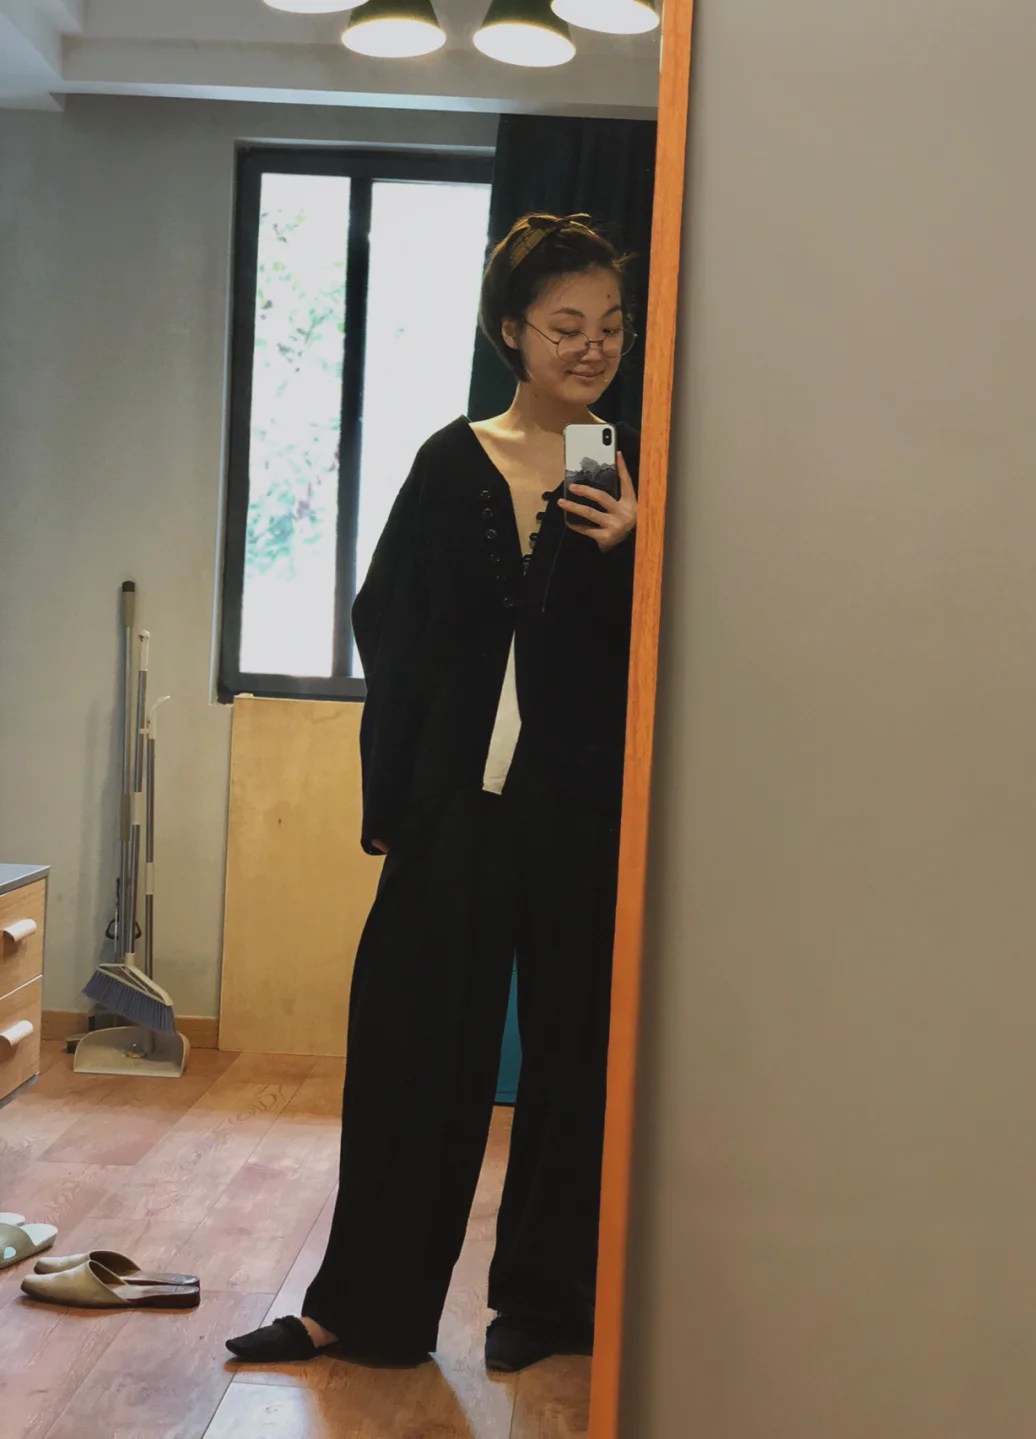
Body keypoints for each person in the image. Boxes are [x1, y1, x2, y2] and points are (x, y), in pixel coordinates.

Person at [226, 212, 640, 1375]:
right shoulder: (451, 461)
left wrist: (638, 551)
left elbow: (652, 652)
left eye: (611, 326)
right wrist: (413, 789)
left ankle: (548, 1302)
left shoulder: (618, 465)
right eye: (566, 325)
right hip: (456, 809)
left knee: (574, 1058)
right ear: (512, 331)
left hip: (580, 814)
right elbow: (388, 619)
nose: (592, 347)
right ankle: (361, 1309)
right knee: (413, 1050)